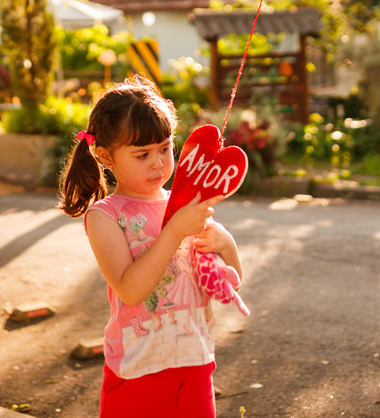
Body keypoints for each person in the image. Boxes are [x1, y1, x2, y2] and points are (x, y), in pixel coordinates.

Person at [58, 76, 243, 418]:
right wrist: (175, 232)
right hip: (137, 372)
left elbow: (230, 282)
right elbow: (130, 290)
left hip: (195, 364)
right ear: (106, 157)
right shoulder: (105, 216)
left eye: (165, 148)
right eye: (142, 154)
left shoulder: (184, 204)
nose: (158, 162)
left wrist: (226, 244)